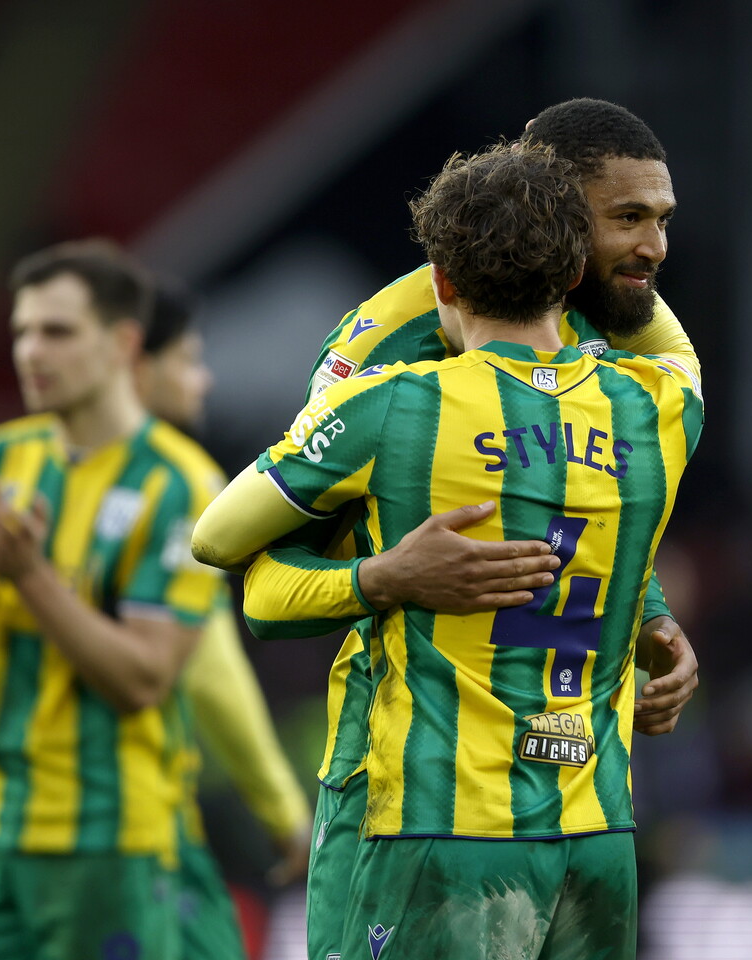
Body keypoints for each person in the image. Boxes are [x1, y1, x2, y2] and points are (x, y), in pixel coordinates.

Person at [192, 142, 703, 959]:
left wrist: (384, 576)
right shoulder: (660, 405)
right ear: (574, 274)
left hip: (436, 829)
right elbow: (662, 339)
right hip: (596, 831)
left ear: (442, 281)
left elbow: (214, 539)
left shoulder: (391, 405)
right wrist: (656, 617)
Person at [0, 239, 224, 960]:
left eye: (55, 331)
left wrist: (29, 576)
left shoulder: (182, 484)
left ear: (121, 342)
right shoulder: (1, 456)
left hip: (108, 841)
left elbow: (143, 680)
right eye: (21, 331)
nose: (30, 352)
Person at [134, 280, 314, 958]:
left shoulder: (9, 464)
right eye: (188, 359)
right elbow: (207, 667)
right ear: (131, 359)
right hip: (127, 824)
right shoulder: (180, 482)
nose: (204, 380)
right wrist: (284, 813)